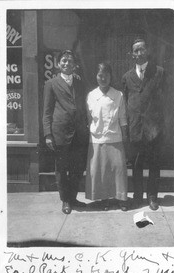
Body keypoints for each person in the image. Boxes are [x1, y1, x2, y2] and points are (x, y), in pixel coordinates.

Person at [43, 50, 88, 214]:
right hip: (60, 133)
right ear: (58, 63)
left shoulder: (79, 82)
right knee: (61, 169)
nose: (67, 64)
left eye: (70, 61)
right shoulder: (51, 83)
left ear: (75, 65)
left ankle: (74, 198)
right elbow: (47, 111)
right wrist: (48, 134)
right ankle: (66, 200)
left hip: (79, 133)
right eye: (63, 61)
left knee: (77, 168)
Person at [122, 38, 165, 210]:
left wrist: (160, 125)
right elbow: (126, 102)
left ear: (147, 50)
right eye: (136, 50)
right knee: (137, 164)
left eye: (142, 49)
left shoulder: (159, 72)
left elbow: (165, 101)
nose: (139, 53)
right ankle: (138, 196)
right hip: (136, 128)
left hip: (153, 129)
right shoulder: (126, 77)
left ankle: (152, 197)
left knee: (154, 164)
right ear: (132, 55)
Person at [86, 62, 129, 211]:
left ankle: (121, 199)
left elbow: (123, 118)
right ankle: (104, 199)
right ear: (96, 76)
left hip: (115, 138)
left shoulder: (118, 95)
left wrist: (125, 137)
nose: (103, 78)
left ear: (111, 76)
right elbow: (89, 119)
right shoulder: (91, 96)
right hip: (97, 140)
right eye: (100, 75)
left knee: (118, 169)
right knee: (101, 171)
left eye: (106, 75)